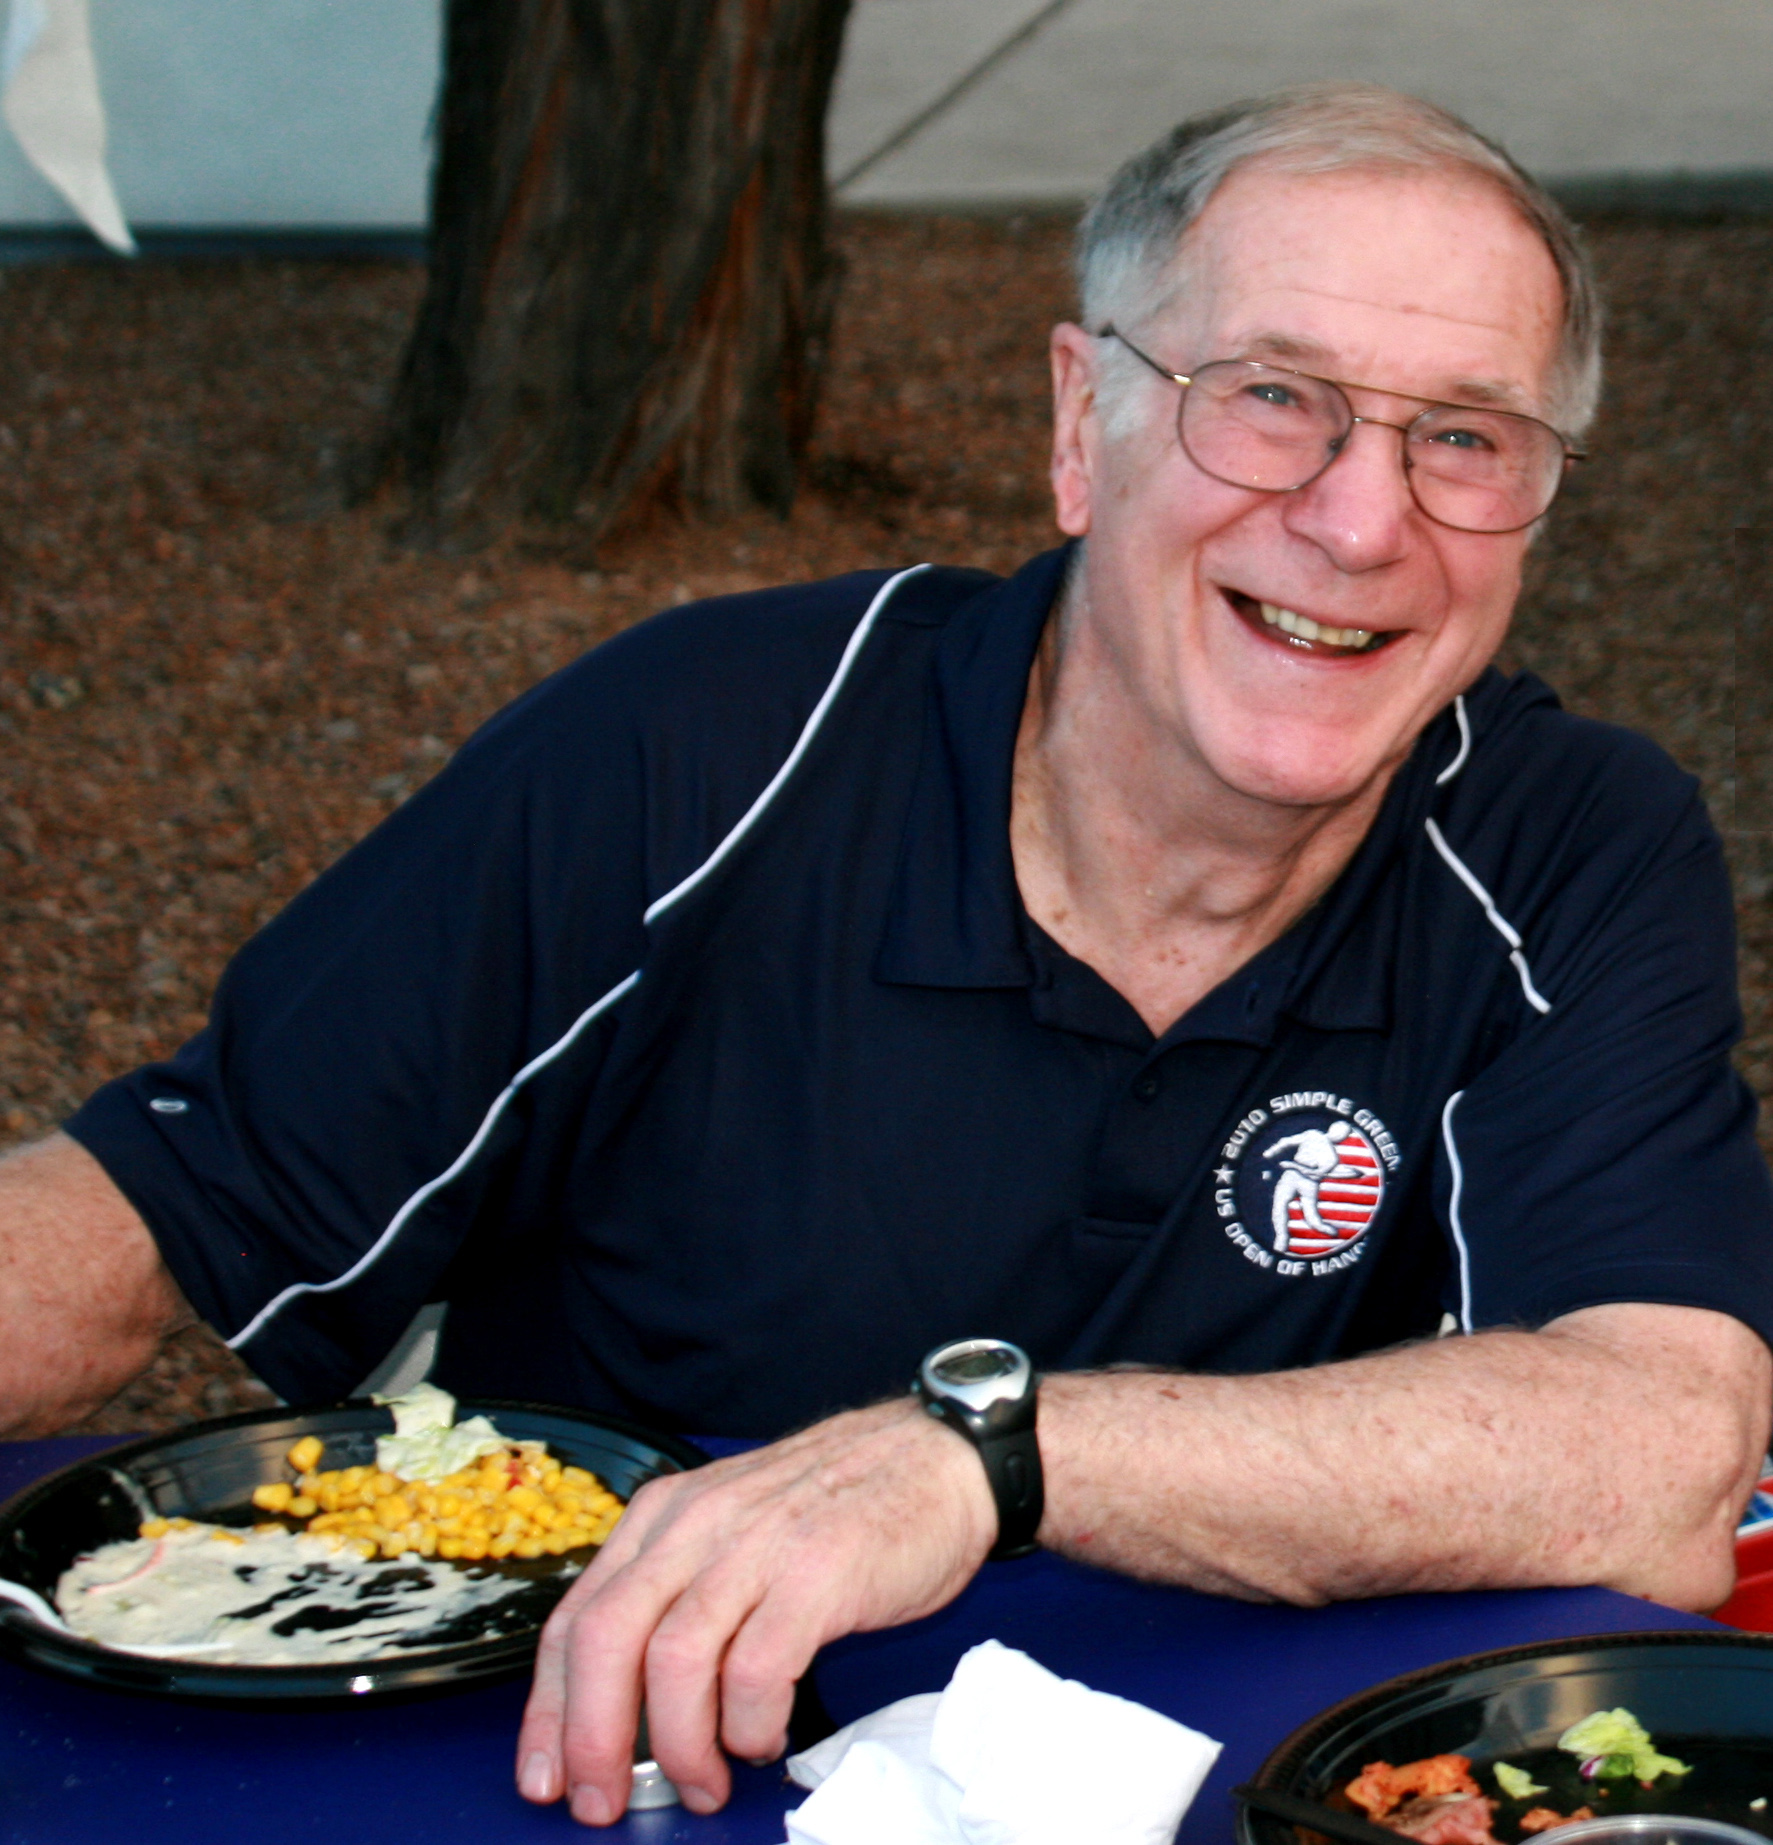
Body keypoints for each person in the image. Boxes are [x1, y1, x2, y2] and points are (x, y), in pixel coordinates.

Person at [1, 82, 1770, 1827]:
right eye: (1272, 398)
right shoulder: (700, 747)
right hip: (620, 1755)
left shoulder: (1566, 842)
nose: (1362, 519)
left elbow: (1666, 1457)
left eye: (1461, 436)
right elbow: (157, 1208)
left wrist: (983, 1457)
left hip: (1230, 1770)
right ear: (1082, 426)